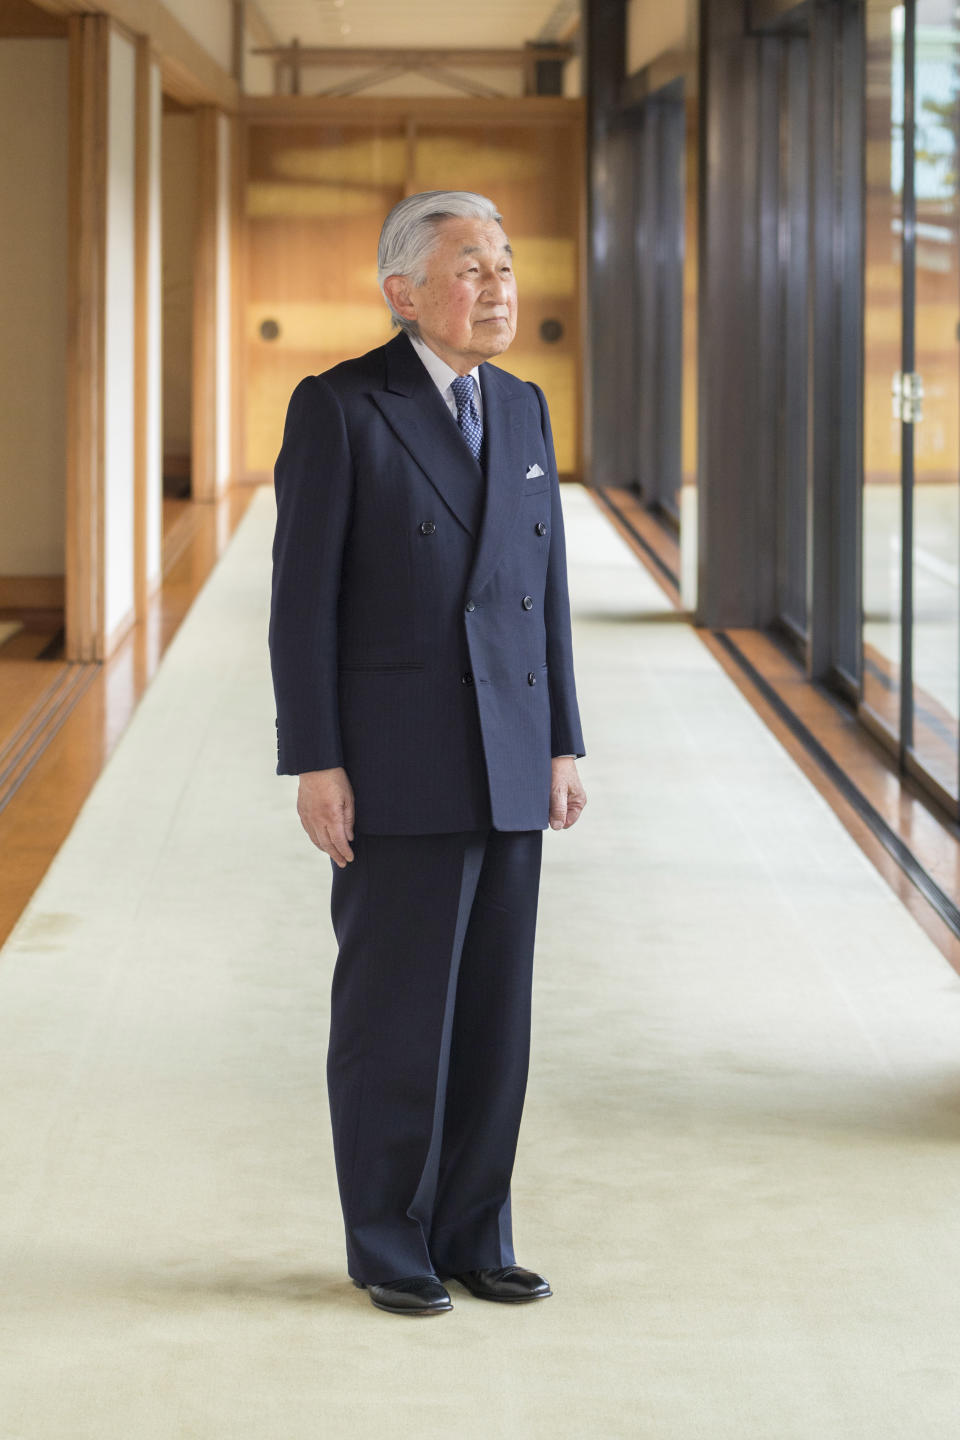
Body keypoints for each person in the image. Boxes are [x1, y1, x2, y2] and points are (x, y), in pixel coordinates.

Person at [268, 190, 587, 1317]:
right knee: (396, 1016)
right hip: (396, 757)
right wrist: (316, 759)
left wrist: (561, 742)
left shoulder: (527, 404)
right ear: (403, 292)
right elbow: (299, 602)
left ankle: (474, 1233)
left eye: (505, 264)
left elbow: (543, 590)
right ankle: (387, 1240)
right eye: (470, 267)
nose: (498, 286)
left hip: (510, 751)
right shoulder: (342, 407)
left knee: (497, 1015)